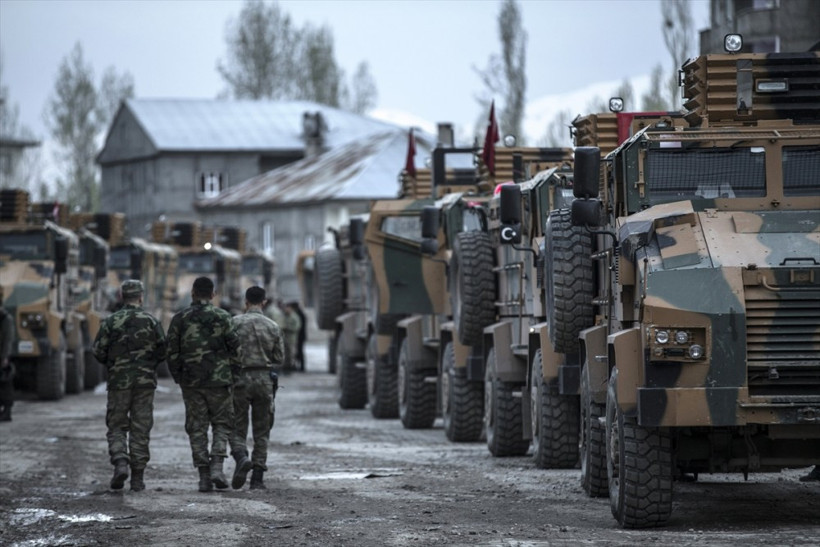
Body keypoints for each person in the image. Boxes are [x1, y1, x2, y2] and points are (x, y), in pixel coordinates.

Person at [167, 276, 241, 492]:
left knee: (196, 428)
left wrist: (178, 376)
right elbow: (236, 349)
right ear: (213, 294)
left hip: (192, 382)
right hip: (220, 381)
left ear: (192, 293)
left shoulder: (180, 318)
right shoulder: (223, 316)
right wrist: (234, 375)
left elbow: (171, 352)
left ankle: (204, 476)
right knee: (221, 424)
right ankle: (217, 466)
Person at [92, 280, 167, 491]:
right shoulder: (151, 321)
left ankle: (120, 462)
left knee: (116, 425)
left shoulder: (111, 321)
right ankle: (138, 479)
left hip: (118, 382)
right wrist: (148, 365)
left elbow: (98, 351)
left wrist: (114, 365)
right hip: (145, 383)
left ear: (121, 297)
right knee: (140, 428)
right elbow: (163, 351)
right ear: (141, 297)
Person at [229, 286, 284, 490]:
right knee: (262, 430)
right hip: (264, 380)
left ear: (245, 302)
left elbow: (226, 352)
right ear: (264, 302)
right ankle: (257, 478)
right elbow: (279, 358)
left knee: (236, 425)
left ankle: (241, 457)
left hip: (239, 379)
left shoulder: (233, 323)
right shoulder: (272, 326)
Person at [0, 290, 16, 423]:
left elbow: (8, 339)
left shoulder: (5, 319)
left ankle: (7, 411)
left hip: (2, 356)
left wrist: (5, 357)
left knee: (5, 384)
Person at [282, 301, 302, 373]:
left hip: (292, 338)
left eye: (287, 308)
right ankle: (286, 367)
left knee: (291, 354)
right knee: (285, 354)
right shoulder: (284, 316)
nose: (286, 309)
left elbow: (297, 327)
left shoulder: (294, 317)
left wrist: (287, 327)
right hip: (285, 338)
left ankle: (291, 367)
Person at [292, 301, 307, 372]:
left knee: (299, 351)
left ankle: (301, 367)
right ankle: (300, 366)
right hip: (301, 336)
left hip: (300, 336)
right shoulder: (300, 314)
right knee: (299, 351)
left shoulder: (299, 314)